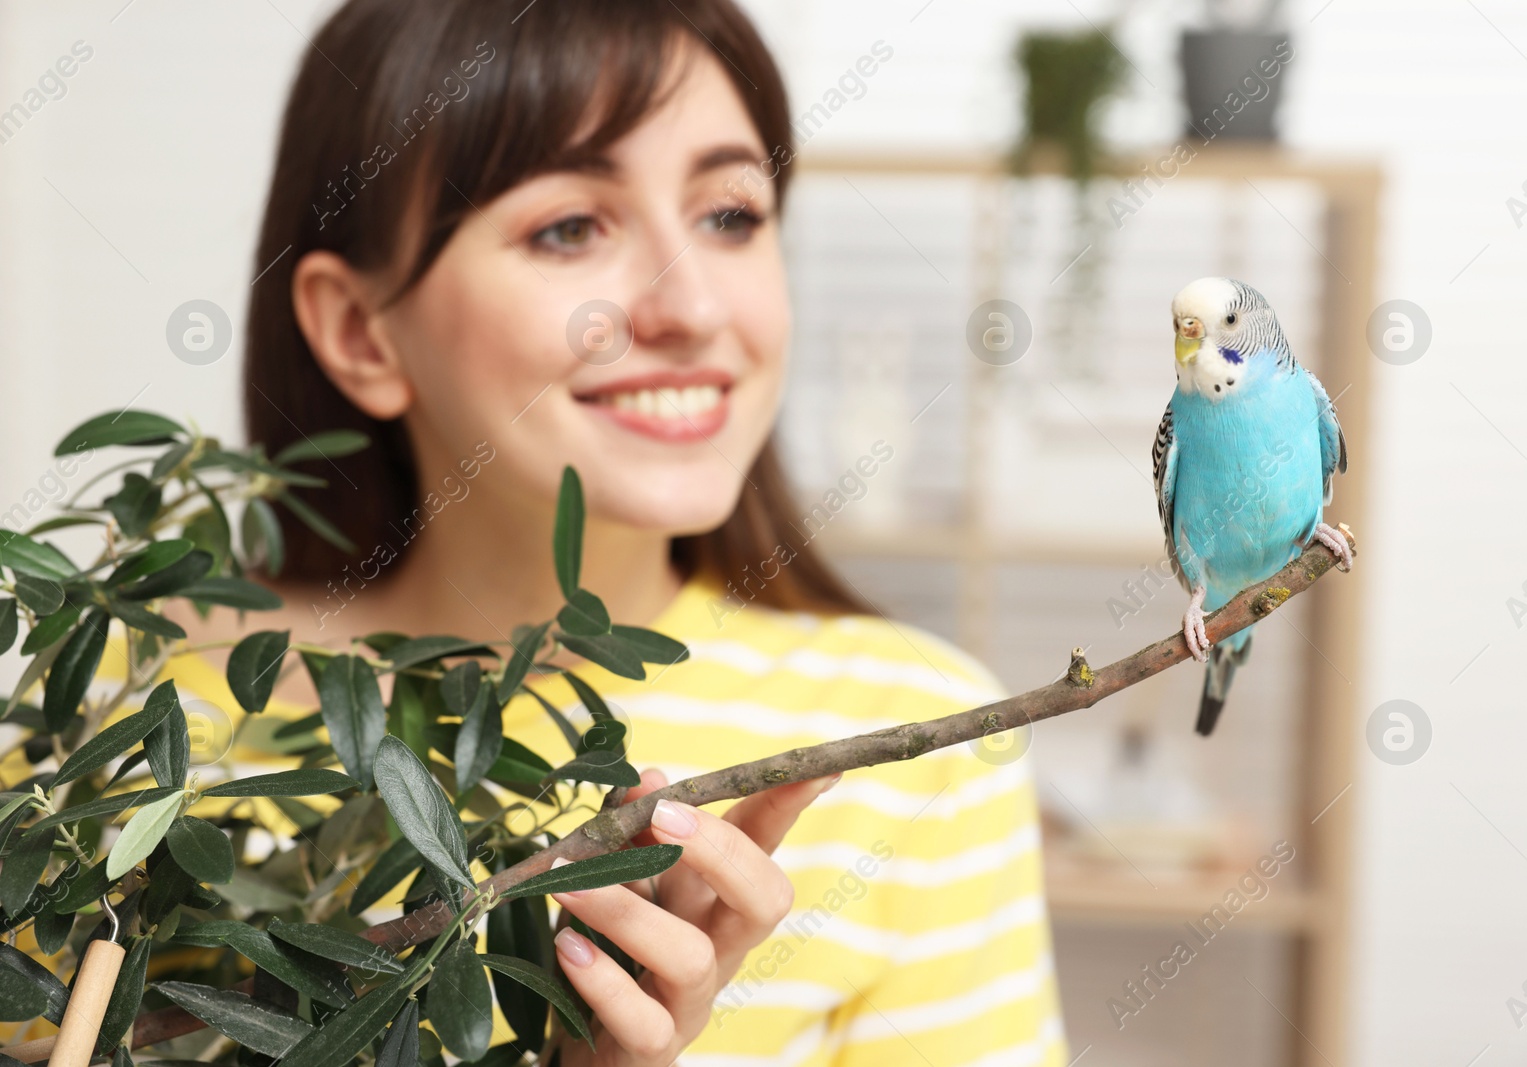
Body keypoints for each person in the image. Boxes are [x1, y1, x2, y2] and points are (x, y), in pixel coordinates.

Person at [161, 0, 1070, 1063]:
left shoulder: (928, 744)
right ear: (362, 331)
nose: (689, 306)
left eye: (730, 213)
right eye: (568, 227)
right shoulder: (127, 720)